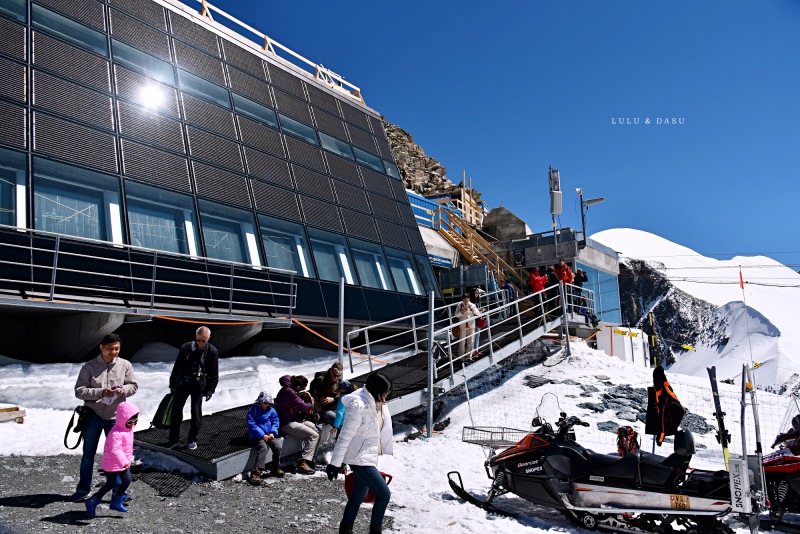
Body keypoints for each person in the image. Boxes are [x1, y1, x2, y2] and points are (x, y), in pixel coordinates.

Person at [71, 333, 138, 502]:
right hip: (94, 415)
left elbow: (134, 386)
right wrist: (100, 392)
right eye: (110, 349)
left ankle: (118, 491)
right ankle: (83, 489)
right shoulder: (89, 367)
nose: (114, 352)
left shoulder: (125, 365)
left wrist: (124, 390)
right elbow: (79, 391)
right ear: (101, 348)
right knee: (88, 454)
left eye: (117, 349)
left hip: (117, 417)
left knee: (118, 455)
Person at [326, 373, 394, 534]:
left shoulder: (376, 404)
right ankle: (375, 530)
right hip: (359, 459)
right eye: (384, 392)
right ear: (376, 390)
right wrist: (335, 464)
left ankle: (345, 529)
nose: (386, 396)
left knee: (357, 497)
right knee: (384, 494)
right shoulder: (358, 405)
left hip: (366, 457)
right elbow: (345, 435)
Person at [85, 402, 140, 518]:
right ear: (122, 419)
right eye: (130, 422)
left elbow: (125, 445)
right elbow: (115, 450)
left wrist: (129, 451)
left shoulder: (127, 429)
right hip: (113, 464)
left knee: (125, 481)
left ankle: (115, 502)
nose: (132, 424)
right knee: (112, 483)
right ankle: (93, 500)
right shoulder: (116, 433)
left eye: (135, 422)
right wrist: (124, 461)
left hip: (121, 462)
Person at [168, 326, 219, 450]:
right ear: (196, 337)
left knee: (196, 412)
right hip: (183, 384)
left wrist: (210, 389)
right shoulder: (186, 347)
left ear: (208, 339)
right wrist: (173, 384)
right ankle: (174, 439)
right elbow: (177, 366)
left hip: (198, 385)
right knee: (176, 412)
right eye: (199, 340)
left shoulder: (212, 351)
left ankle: (192, 439)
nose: (200, 343)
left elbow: (214, 371)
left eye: (203, 341)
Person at [275, 375, 319, 475]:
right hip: (287, 423)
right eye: (303, 388)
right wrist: (311, 404)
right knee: (313, 435)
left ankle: (311, 458)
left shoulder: (289, 390)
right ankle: (303, 462)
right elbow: (302, 406)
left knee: (318, 431)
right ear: (298, 386)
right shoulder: (289, 392)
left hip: (295, 419)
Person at [246, 391, 284, 484]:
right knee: (262, 448)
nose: (266, 405)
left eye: (268, 403)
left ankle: (275, 467)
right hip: (256, 435)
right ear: (260, 401)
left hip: (268, 434)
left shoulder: (271, 410)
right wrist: (262, 435)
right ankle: (256, 472)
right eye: (265, 403)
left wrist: (273, 432)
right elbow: (251, 424)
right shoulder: (253, 410)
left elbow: (276, 421)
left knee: (277, 446)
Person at [310, 361, 350, 426]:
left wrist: (334, 399)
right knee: (339, 422)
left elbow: (342, 395)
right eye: (334, 375)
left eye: (338, 376)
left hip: (335, 406)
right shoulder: (321, 379)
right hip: (323, 409)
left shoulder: (338, 381)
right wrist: (336, 397)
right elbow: (323, 400)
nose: (336, 377)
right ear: (331, 370)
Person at [454, 294, 481, 359]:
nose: (466, 301)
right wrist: (462, 311)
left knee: (470, 341)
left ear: (469, 299)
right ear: (462, 300)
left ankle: (469, 356)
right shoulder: (459, 305)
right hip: (462, 325)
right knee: (462, 342)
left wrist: (472, 309)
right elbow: (456, 315)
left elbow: (478, 313)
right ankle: (461, 357)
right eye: (464, 299)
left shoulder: (472, 305)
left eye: (467, 299)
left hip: (471, 325)